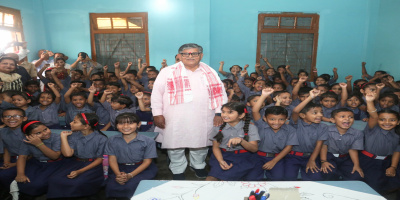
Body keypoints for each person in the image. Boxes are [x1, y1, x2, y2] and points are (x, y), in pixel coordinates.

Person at [151, 43, 227, 180]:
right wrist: (157, 113)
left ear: (201, 55)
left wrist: (218, 113)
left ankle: (198, 165)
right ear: (180, 56)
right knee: (175, 144)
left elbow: (220, 94)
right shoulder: (167, 71)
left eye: (195, 53)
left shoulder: (210, 71)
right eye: (186, 54)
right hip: (174, 116)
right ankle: (177, 168)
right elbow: (157, 93)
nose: (190, 56)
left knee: (201, 143)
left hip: (203, 115)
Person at [47, 113, 107, 198]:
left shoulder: (101, 139)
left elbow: (99, 159)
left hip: (93, 165)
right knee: (54, 179)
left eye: (74, 122)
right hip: (76, 162)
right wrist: (63, 137)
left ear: (86, 126)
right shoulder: (74, 135)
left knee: (77, 182)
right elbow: (68, 154)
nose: (71, 123)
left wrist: (80, 171)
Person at [105, 113, 158, 199]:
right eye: (121, 123)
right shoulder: (112, 140)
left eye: (130, 123)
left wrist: (130, 175)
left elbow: (147, 162)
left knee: (131, 187)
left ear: (138, 124)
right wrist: (118, 175)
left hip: (142, 168)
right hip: (119, 168)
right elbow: (112, 160)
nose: (126, 126)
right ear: (116, 126)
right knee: (112, 187)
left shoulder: (148, 141)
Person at [250, 88, 298, 181]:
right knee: (252, 178)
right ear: (265, 118)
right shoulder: (261, 125)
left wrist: (273, 161)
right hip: (258, 157)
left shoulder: (290, 129)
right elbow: (255, 111)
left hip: (277, 158)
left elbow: (288, 147)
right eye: (272, 119)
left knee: (278, 178)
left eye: (281, 119)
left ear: (286, 119)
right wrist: (263, 95)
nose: (276, 122)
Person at [206, 102, 259, 181]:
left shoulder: (250, 127)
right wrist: (221, 161)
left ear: (241, 115)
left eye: (230, 112)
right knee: (210, 179)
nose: (224, 115)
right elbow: (216, 148)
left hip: (243, 157)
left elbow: (254, 149)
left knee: (226, 180)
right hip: (222, 155)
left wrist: (242, 141)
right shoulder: (218, 127)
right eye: (223, 112)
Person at [360, 91, 400, 193]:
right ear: (378, 121)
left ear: (398, 122)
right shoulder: (372, 129)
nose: (387, 122)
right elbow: (373, 116)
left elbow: (396, 151)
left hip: (387, 161)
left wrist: (393, 166)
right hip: (368, 161)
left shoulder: (397, 133)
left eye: (392, 120)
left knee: (393, 182)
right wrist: (369, 102)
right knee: (374, 185)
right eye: (382, 119)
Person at [286, 88, 328, 181]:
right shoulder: (296, 124)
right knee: (289, 178)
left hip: (311, 156)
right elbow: (296, 111)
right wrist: (310, 97)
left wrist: (312, 160)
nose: (320, 115)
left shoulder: (323, 127)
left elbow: (319, 145)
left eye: (321, 112)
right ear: (303, 115)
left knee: (316, 178)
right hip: (293, 157)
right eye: (315, 113)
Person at [16, 120, 63, 198]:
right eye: (38, 133)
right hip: (37, 162)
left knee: (38, 184)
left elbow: (55, 156)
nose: (45, 133)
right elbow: (22, 157)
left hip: (55, 163)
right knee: (23, 181)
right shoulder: (26, 140)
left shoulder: (56, 137)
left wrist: (39, 144)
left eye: (45, 129)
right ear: (28, 135)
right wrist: (20, 174)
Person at [320, 108, 364, 180]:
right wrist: (323, 161)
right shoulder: (326, 130)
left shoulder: (357, 133)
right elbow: (324, 146)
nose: (347, 119)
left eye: (350, 117)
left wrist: (356, 165)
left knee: (356, 175)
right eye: (342, 116)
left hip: (346, 158)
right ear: (333, 120)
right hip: (329, 156)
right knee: (328, 172)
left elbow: (352, 150)